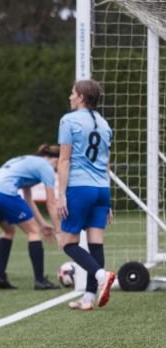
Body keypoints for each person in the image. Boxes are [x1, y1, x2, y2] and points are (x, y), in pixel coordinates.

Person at [56, 79, 116, 311]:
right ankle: (89, 298)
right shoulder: (104, 124)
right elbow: (107, 164)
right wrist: (108, 201)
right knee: (95, 243)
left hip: (80, 188)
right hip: (102, 189)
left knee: (67, 242)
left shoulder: (68, 120)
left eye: (72, 93)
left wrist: (61, 194)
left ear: (81, 97)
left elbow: (64, 159)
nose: (70, 97)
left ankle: (101, 276)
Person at [0, 145, 63, 290]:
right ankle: (40, 280)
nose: (57, 170)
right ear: (56, 160)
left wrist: (43, 223)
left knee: (8, 231)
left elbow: (28, 199)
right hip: (3, 192)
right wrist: (60, 231)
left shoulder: (29, 161)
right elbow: (51, 203)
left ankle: (0, 278)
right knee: (33, 232)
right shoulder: (47, 167)